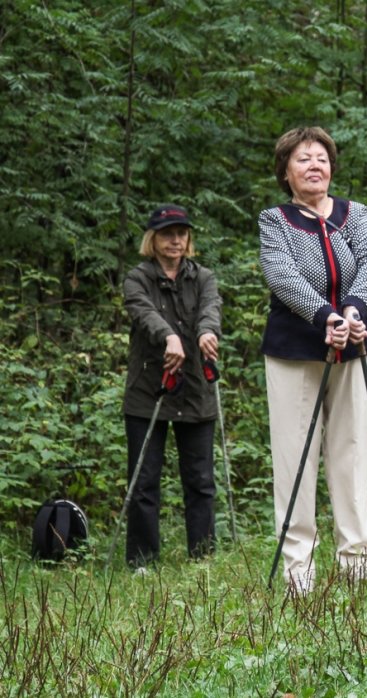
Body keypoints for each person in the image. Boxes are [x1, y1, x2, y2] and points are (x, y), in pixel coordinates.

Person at [258, 126, 367, 594]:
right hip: (296, 347)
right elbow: (282, 275)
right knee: (295, 455)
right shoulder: (275, 221)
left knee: (351, 451)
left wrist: (353, 308)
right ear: (286, 172)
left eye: (322, 158)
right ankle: (299, 571)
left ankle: (357, 562)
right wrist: (324, 315)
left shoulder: (354, 214)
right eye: (303, 159)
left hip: (354, 342)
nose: (315, 166)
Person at [122, 204, 222, 570]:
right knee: (144, 481)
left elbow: (211, 308)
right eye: (167, 233)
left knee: (200, 480)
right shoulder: (137, 278)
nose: (176, 239)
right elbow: (143, 312)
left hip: (195, 388)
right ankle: (142, 562)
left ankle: (203, 558)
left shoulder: (204, 277)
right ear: (153, 238)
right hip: (149, 389)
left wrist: (208, 331)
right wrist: (169, 336)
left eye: (181, 233)